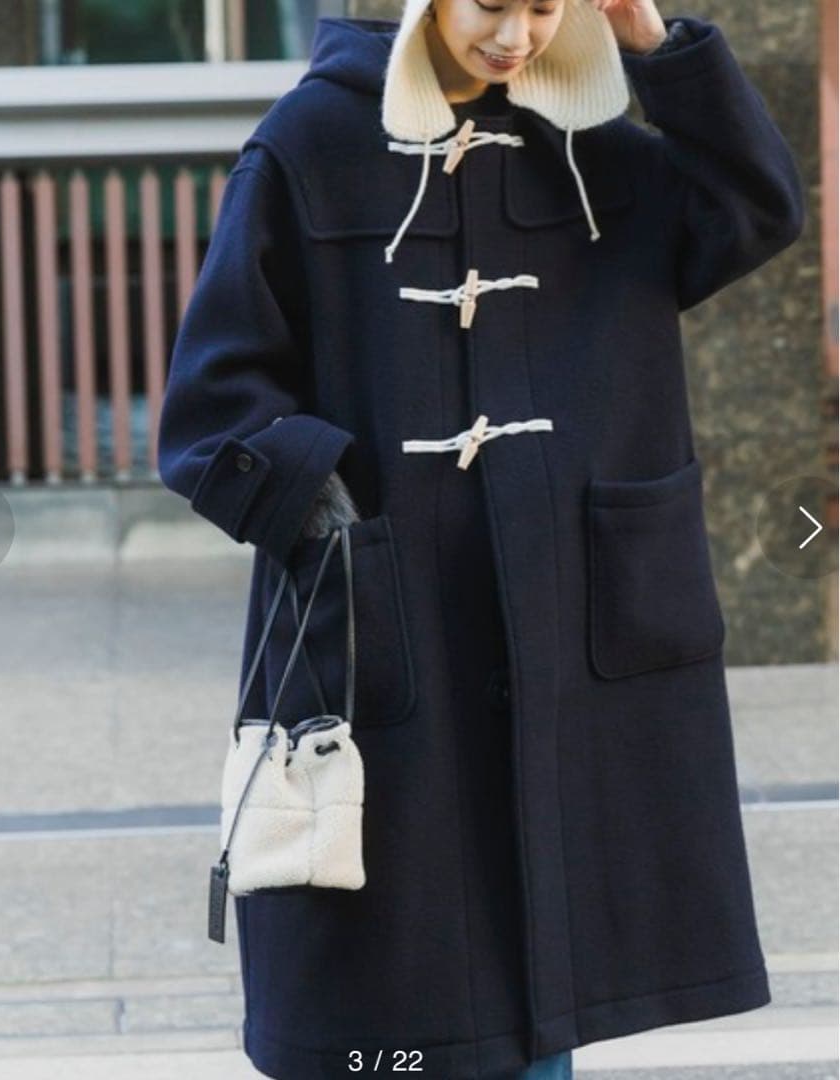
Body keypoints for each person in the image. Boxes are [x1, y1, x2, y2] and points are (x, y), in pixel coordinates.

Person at [157, 1, 804, 1078]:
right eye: (492, 4)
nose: (516, 36)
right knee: (388, 1006)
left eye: (546, 7)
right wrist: (332, 516)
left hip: (574, 624)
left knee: (544, 994)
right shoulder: (310, 143)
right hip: (388, 629)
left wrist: (656, 47)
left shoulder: (589, 147)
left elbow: (756, 205)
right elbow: (210, 407)